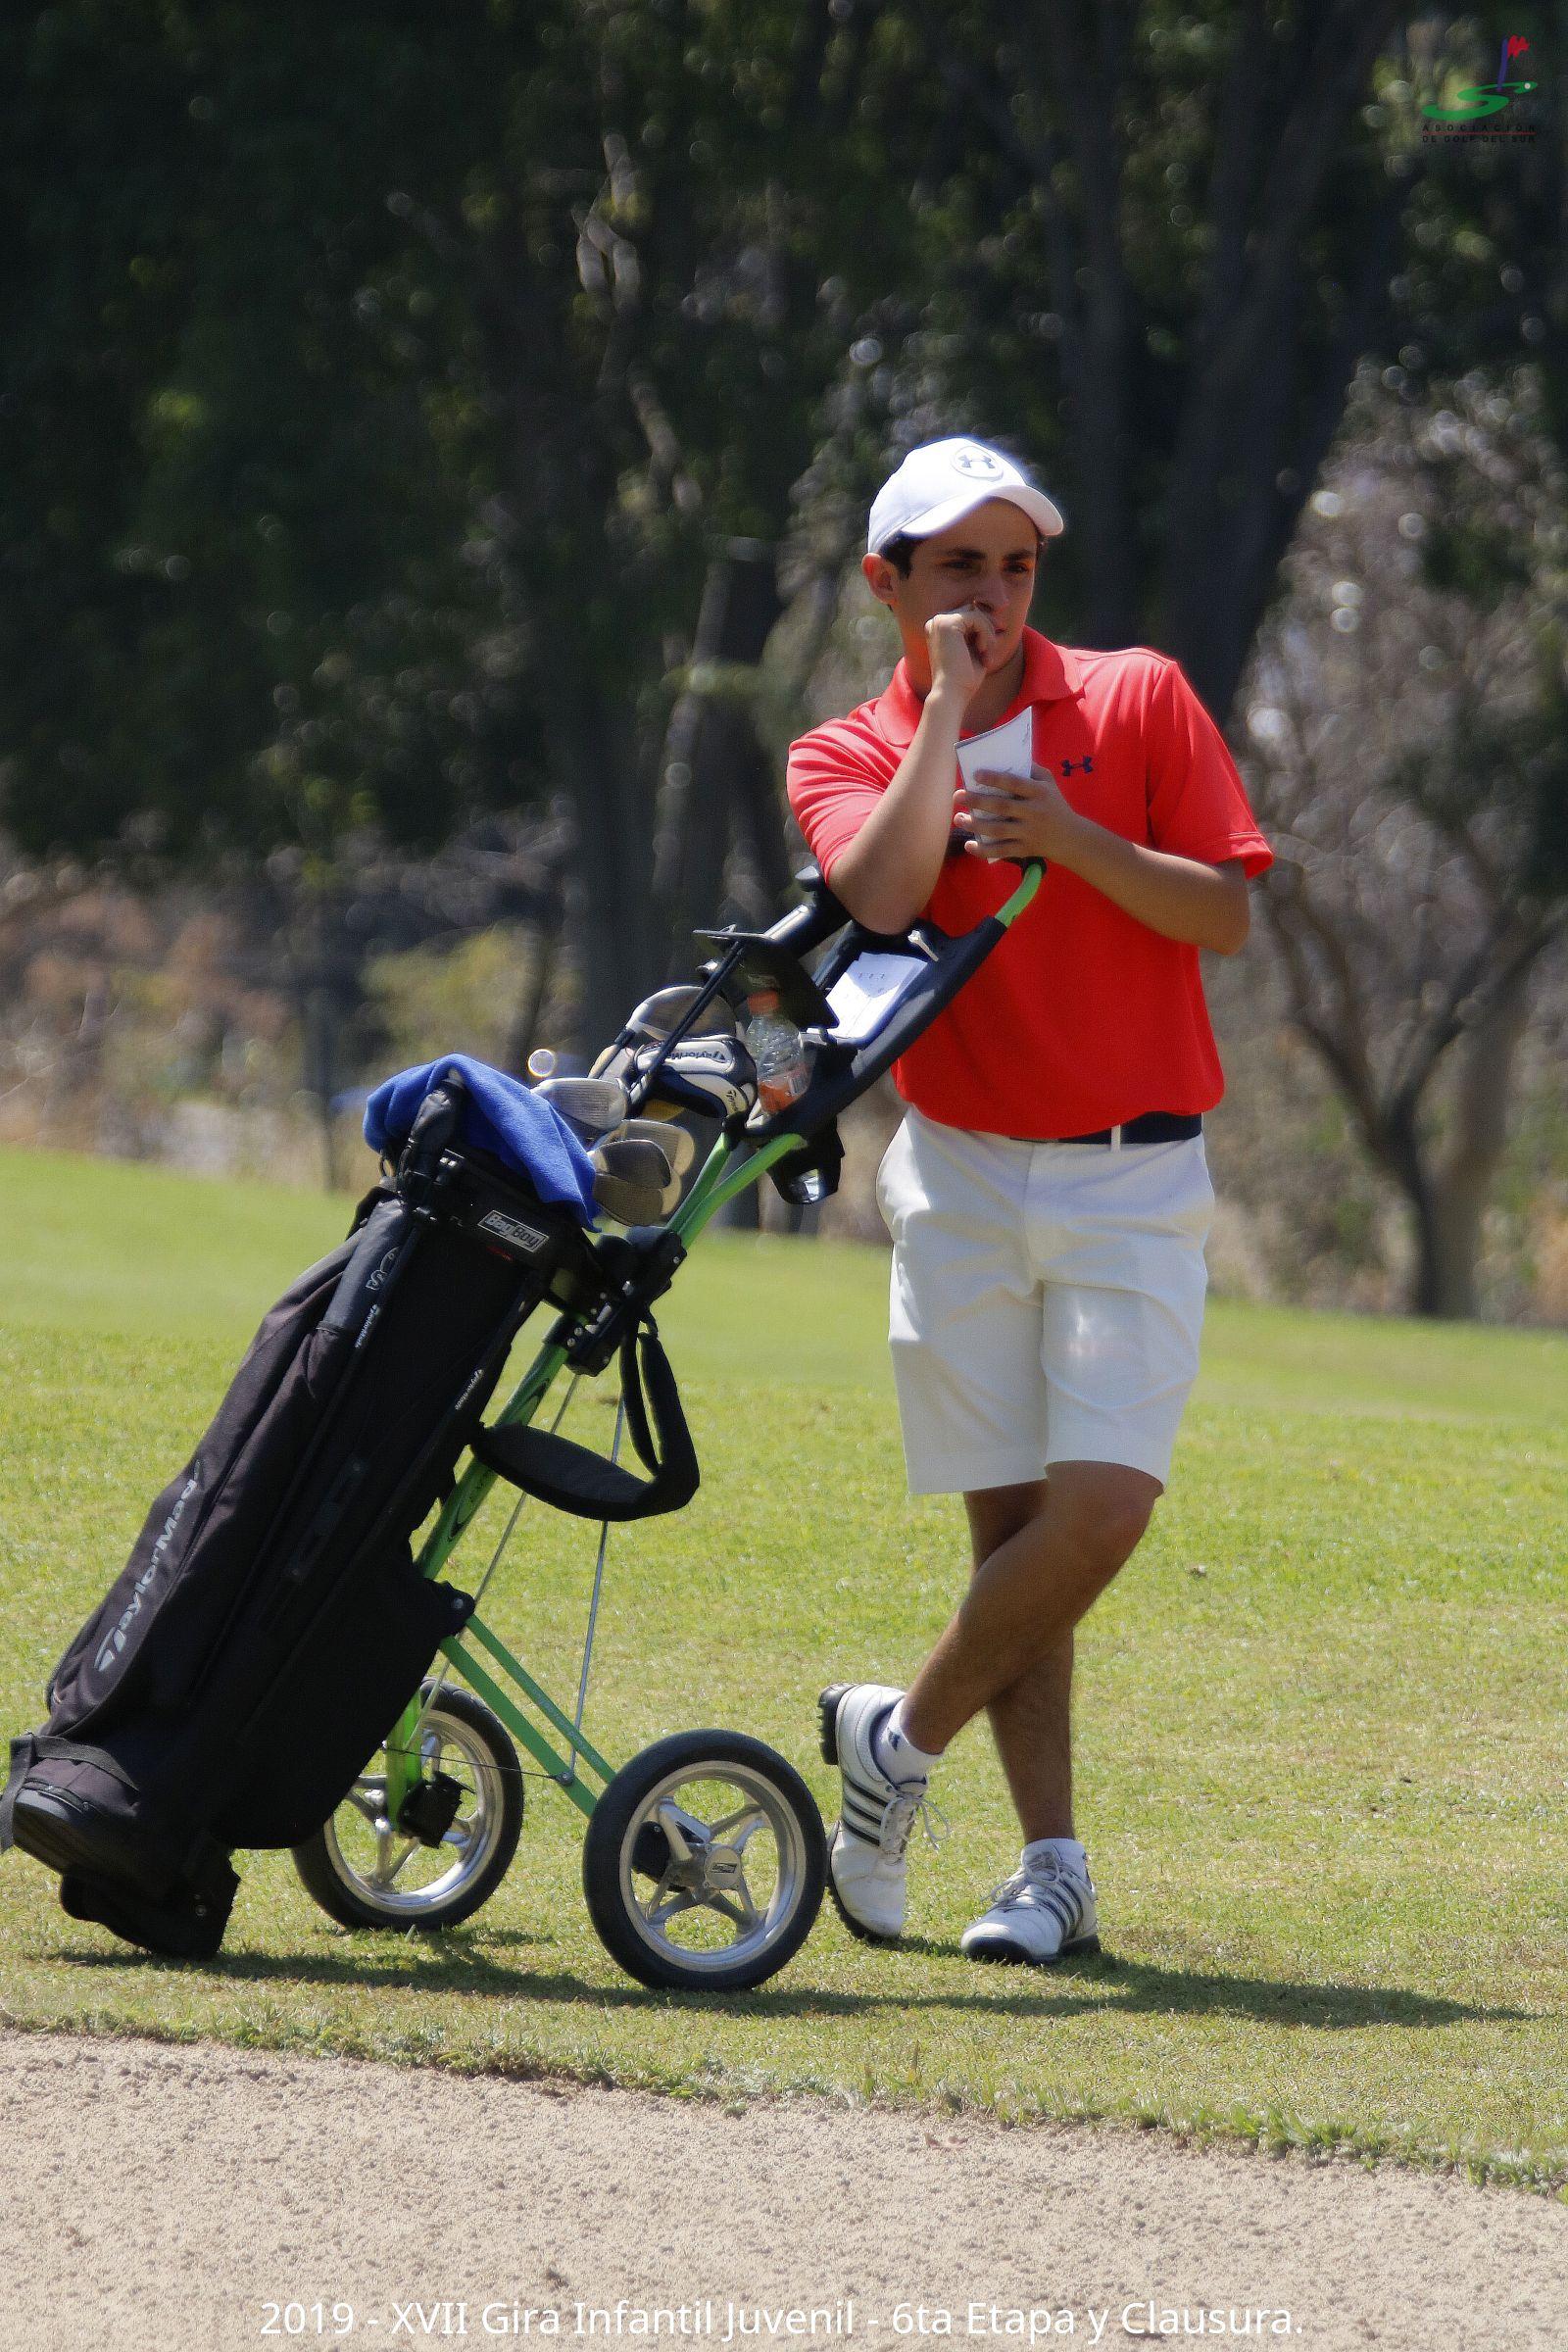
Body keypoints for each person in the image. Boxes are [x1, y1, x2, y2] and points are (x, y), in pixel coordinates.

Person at [786, 436, 1273, 1964]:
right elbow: (880, 894)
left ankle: (895, 1740)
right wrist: (942, 715)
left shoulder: (1137, 696)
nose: (995, 596)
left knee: (1101, 1510)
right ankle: (1050, 1870)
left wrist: (1075, 841)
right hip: (963, 1174)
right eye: (959, 569)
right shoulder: (843, 749)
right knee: (1009, 1536)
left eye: (1017, 566)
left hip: (1135, 1174)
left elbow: (1224, 911)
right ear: (888, 584)